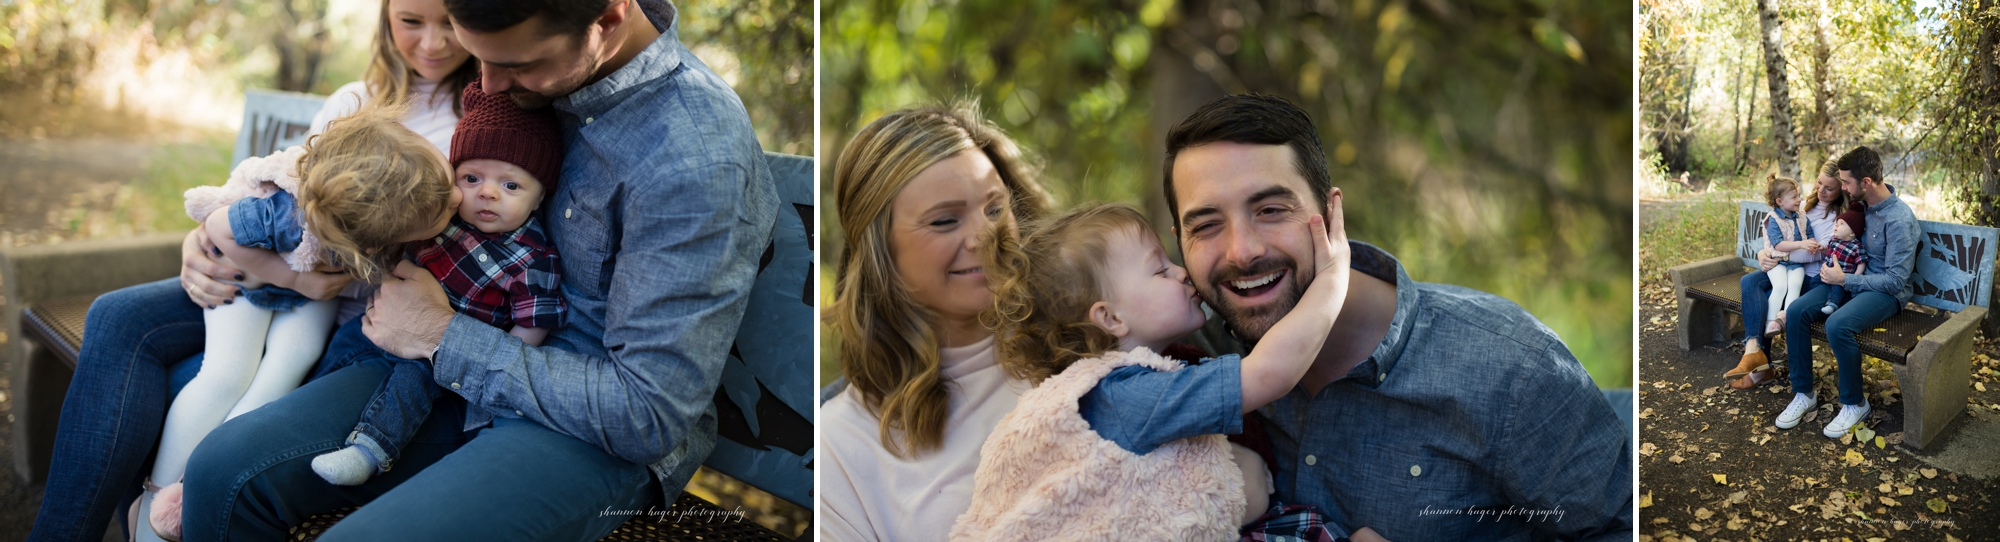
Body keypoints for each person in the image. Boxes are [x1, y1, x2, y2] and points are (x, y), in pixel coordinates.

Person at [170, 0, 777, 538]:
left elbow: (648, 415)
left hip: (586, 430)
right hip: (437, 366)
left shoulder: (693, 155)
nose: (487, 85)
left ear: (610, 17)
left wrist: (440, 336)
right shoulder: (539, 71)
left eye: (515, 66)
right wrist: (235, 232)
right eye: (479, 59)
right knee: (223, 471)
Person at [28, 0, 471, 537]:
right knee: (118, 316)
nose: (431, 42)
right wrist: (206, 241)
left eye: (449, 21)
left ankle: (158, 511)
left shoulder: (479, 121)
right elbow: (289, 205)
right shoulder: (353, 99)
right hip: (286, 275)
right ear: (385, 18)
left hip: (352, 309)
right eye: (410, 21)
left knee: (205, 377)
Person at [1162, 93, 1630, 540]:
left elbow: (1625, 529)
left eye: (1270, 210)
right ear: (1180, 241)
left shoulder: (1514, 371)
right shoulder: (1181, 358)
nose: (1242, 251)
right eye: (1206, 225)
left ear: (1330, 212)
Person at [952, 202, 1384, 542]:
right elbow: (1270, 374)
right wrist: (1331, 281)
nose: (1180, 272)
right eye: (1159, 269)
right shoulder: (1126, 394)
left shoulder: (1131, 383)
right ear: (1110, 319)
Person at [300, 80, 568, 488]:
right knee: (344, 344)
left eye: (511, 185)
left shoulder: (534, 258)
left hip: (439, 352)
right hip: (381, 320)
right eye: (472, 177)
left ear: (540, 196)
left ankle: (370, 450)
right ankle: (304, 403)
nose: (488, 194)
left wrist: (490, 366)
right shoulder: (441, 213)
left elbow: (533, 322)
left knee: (411, 387)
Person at [818, 104, 1052, 541]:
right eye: (945, 221)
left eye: (996, 209)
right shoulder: (844, 442)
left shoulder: (1084, 339)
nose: (985, 237)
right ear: (880, 252)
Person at [1775, 146, 1917, 438]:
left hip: (1884, 292)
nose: (1843, 188)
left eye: (1847, 183)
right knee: (1797, 311)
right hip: (1848, 281)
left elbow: (1895, 281)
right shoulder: (1860, 206)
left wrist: (1846, 279)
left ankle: (1855, 402)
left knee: (1837, 325)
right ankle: (1803, 393)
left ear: (1866, 182)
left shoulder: (1900, 219)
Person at [1726, 158, 1849, 389]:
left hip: (1810, 277)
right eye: (1819, 183)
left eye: (1829, 188)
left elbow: (1819, 254)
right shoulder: (1801, 206)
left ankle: (1760, 369)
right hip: (1785, 266)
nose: (1821, 190)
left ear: (1841, 189)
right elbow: (1779, 236)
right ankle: (1754, 351)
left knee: (1773, 291)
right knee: (1750, 282)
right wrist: (1764, 252)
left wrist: (1777, 254)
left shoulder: (1837, 219)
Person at [1761, 174, 1814, 336]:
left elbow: (1809, 234)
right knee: (1780, 286)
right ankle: (1770, 323)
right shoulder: (1773, 219)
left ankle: (1784, 318)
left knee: (1795, 286)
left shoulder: (1802, 216)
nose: (1799, 199)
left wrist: (1813, 243)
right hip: (1776, 261)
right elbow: (1778, 244)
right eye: (1794, 197)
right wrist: (1801, 245)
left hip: (1796, 263)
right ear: (1779, 201)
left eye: (1799, 195)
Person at [1820, 210, 1867, 314]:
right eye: (1837, 223)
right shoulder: (1834, 239)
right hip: (1827, 272)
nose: (1836, 225)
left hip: (1842, 275)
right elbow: (1828, 251)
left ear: (1852, 232)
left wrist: (1855, 276)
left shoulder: (1856, 246)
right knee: (1814, 281)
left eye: (1841, 224)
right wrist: (1822, 248)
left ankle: (1833, 304)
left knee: (1837, 288)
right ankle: (1823, 297)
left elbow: (1861, 262)